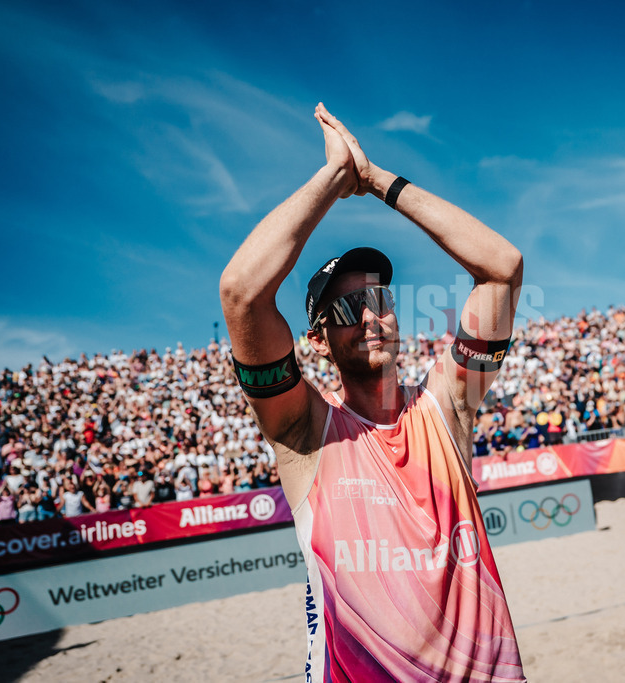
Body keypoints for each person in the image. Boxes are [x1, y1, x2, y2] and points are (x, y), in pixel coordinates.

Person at [220, 103, 526, 682]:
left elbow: (501, 269)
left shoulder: (446, 406)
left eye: (379, 300)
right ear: (317, 337)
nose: (370, 317)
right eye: (345, 307)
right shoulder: (305, 433)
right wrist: (336, 178)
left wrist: (378, 180)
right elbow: (242, 293)